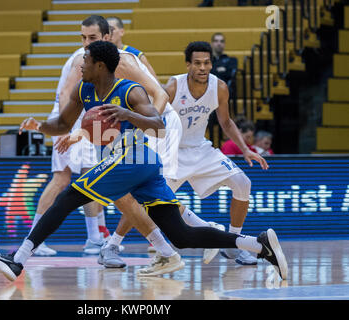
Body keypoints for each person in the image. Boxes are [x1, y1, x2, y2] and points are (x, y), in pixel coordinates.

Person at [0, 40, 288, 282]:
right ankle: (258, 245)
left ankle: (18, 260)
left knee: (69, 196)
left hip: (133, 157)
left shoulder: (130, 90)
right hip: (136, 167)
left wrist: (129, 114)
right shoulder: (84, 89)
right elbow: (62, 124)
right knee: (181, 235)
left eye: (85, 60)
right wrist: (39, 126)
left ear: (100, 65)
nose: (81, 64)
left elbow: (159, 124)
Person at [101, 41, 268, 266]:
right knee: (146, 202)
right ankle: (112, 245)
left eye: (207, 63)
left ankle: (233, 245)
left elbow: (226, 121)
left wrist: (246, 149)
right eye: (197, 63)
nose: (202, 67)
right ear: (188, 64)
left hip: (201, 149)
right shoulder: (173, 86)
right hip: (172, 151)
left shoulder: (219, 87)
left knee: (243, 183)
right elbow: (154, 116)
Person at [29, 15, 182, 257]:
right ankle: (100, 241)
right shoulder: (81, 61)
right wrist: (71, 130)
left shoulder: (124, 61)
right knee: (82, 182)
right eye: (83, 37)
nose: (86, 43)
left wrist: (147, 126)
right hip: (89, 123)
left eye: (92, 38)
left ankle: (104, 241)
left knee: (123, 187)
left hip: (150, 122)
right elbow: (66, 99)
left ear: (107, 38)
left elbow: (158, 94)